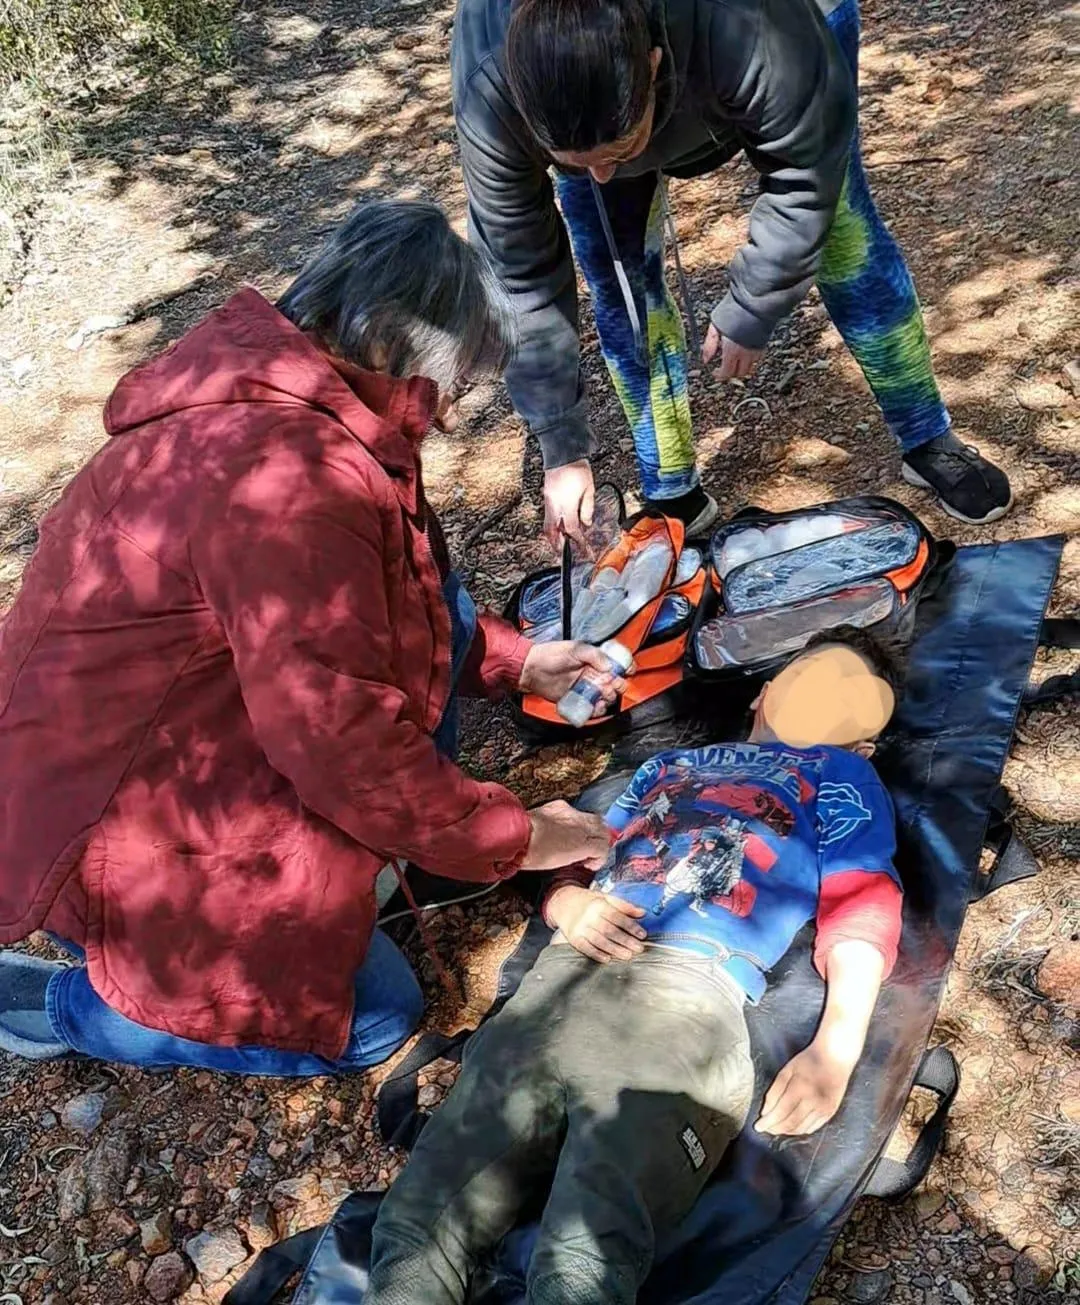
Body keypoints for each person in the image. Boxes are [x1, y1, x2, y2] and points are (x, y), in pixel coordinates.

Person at [0, 200, 622, 1076]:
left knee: (392, 827)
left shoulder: (284, 394)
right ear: (403, 351)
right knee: (373, 1022)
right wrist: (520, 838)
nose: (446, 417)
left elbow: (400, 599)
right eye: (451, 390)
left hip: (180, 738)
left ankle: (391, 854)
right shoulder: (293, 484)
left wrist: (517, 661)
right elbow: (344, 745)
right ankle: (61, 1004)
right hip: (123, 822)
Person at [365, 628, 905, 1304]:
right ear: (764, 693)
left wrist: (836, 1050)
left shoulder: (839, 774)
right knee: (416, 1227)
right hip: (560, 983)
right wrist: (565, 901)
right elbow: (579, 848)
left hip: (684, 998)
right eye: (810, 676)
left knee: (583, 1259)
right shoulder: (666, 767)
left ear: (864, 743)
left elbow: (862, 903)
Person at [451, 0, 1013, 539]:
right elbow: (519, 273)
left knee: (844, 231)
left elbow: (806, 175)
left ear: (653, 64)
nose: (601, 175)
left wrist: (754, 304)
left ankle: (926, 432)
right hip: (635, 82)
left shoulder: (751, 23)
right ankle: (671, 487)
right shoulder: (489, 86)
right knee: (620, 278)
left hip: (776, 34)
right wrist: (560, 446)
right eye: (578, 163)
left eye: (616, 153)